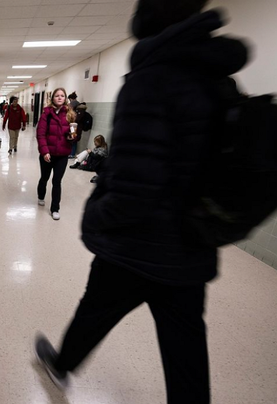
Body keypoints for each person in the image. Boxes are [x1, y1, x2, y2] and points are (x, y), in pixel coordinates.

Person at [34, 1, 248, 403]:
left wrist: (96, 219)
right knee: (186, 347)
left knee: (95, 310)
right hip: (191, 245)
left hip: (134, 245)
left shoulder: (150, 81)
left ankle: (61, 365)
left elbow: (135, 182)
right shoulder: (218, 79)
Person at [36, 87, 76, 220]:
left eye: (62, 96)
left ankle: (55, 209)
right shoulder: (45, 115)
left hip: (62, 155)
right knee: (44, 178)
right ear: (52, 98)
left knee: (57, 181)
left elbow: (73, 134)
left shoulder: (70, 115)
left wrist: (72, 137)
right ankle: (41, 196)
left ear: (65, 99)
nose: (60, 98)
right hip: (48, 154)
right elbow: (40, 134)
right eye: (57, 95)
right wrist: (45, 151)